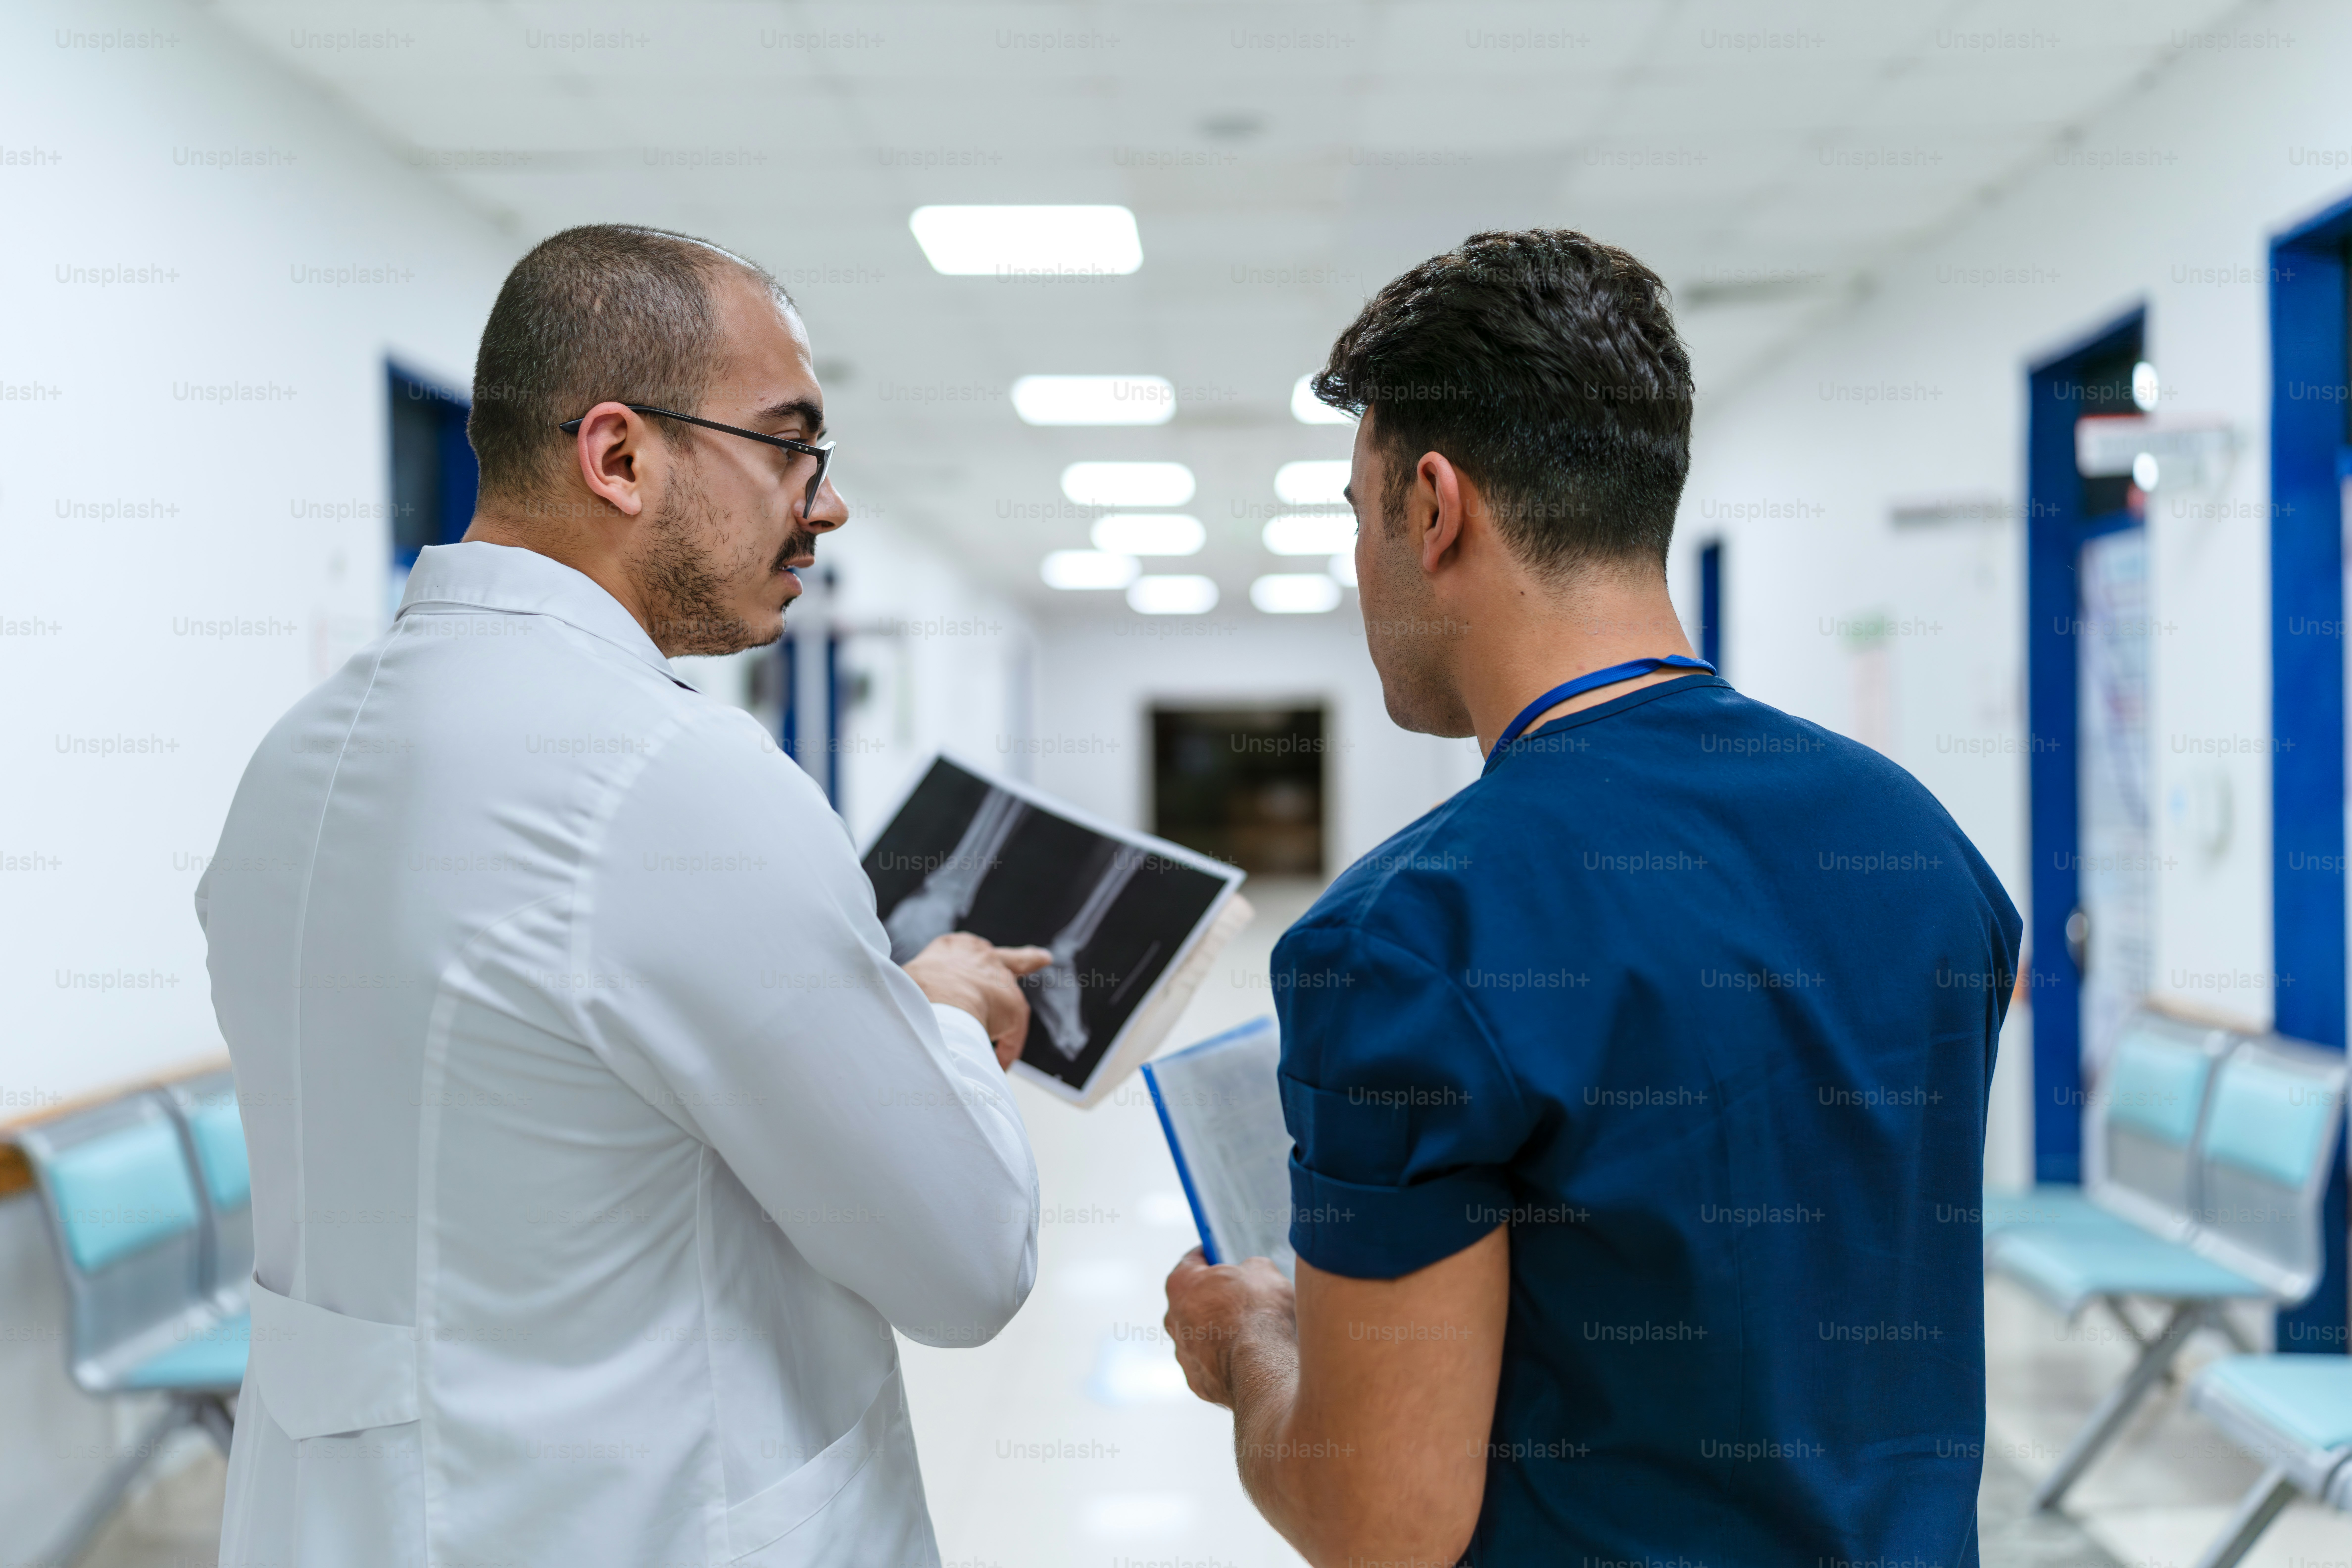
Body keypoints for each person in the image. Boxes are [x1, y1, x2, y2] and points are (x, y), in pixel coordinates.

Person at [1161, 229, 2022, 1567]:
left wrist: (1255, 1345)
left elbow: (1380, 1521)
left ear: (1434, 509)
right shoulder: (1920, 846)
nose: (1359, 570)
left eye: (1355, 516)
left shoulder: (1409, 940)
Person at [197, 224, 1049, 1568]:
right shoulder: (674, 776)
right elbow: (968, 1265)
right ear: (620, 458)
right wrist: (937, 1018)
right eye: (792, 447)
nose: (826, 506)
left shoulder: (296, 759)